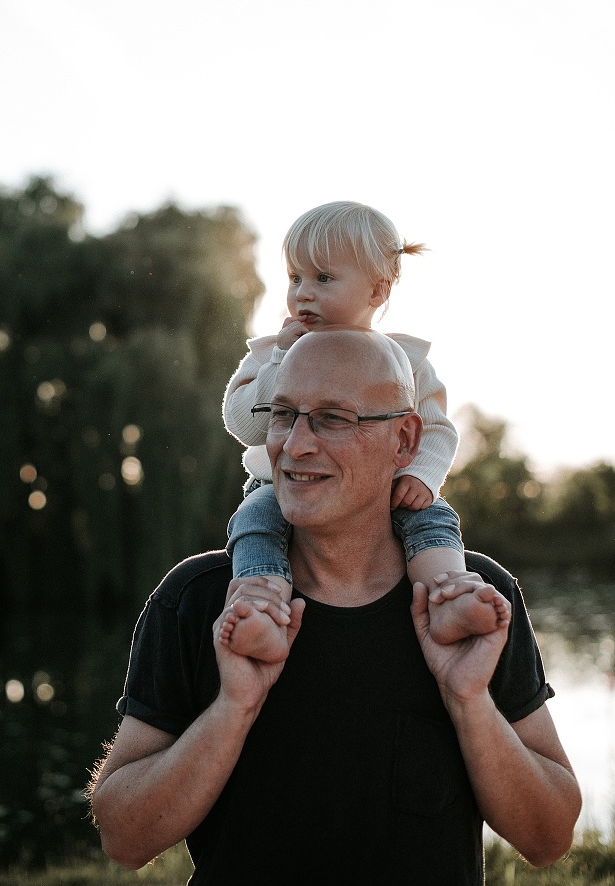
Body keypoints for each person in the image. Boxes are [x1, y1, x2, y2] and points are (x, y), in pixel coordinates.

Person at [90, 330, 580, 884]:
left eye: (333, 418)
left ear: (404, 440)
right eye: (283, 414)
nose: (295, 445)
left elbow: (548, 838)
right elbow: (124, 838)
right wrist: (233, 708)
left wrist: (469, 702)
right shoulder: (198, 600)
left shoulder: (474, 599)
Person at [222, 199, 493, 662]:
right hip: (279, 487)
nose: (303, 294)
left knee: (433, 519)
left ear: (378, 290)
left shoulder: (405, 361)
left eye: (324, 279)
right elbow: (247, 425)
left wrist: (422, 476)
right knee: (255, 522)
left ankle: (449, 595)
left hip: (388, 486)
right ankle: (261, 607)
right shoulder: (273, 352)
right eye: (295, 278)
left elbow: (435, 429)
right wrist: (280, 361)